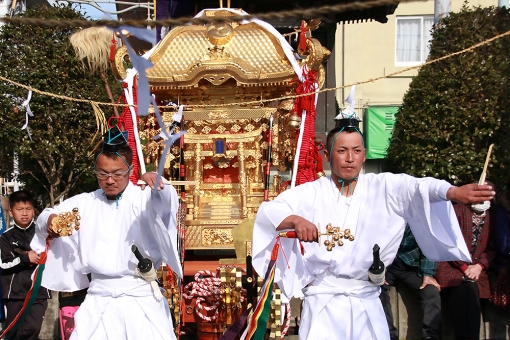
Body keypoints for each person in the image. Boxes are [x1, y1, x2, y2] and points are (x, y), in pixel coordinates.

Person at [251, 116, 495, 340]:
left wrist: (453, 192)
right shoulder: (310, 193)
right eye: (342, 151)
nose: (350, 158)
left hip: (367, 298)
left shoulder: (384, 187)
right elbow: (270, 212)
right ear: (327, 154)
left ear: (364, 155)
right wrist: (295, 220)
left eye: (356, 151)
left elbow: (418, 188)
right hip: (323, 300)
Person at [30, 126, 183, 340]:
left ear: (130, 170)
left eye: (117, 173)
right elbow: (45, 216)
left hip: (141, 298)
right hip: (98, 298)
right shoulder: (85, 202)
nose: (109, 180)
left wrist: (160, 184)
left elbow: (166, 203)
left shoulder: (143, 197)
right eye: (103, 173)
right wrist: (51, 221)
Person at [435, 198, 495, 340]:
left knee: (473, 300)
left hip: (476, 271)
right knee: (459, 296)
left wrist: (480, 266)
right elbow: (447, 241)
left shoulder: (492, 217)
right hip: (452, 266)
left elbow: (493, 248)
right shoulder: (458, 211)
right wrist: (463, 266)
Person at [0, 190, 51, 340]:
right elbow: (3, 264)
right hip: (14, 294)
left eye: (28, 209)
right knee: (13, 332)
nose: (24, 213)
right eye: (19, 209)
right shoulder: (5, 237)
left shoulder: (43, 233)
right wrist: (25, 258)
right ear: (11, 212)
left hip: (39, 292)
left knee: (33, 329)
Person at [380, 225, 442, 340]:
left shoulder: (419, 218)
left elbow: (430, 246)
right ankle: (389, 334)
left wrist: (428, 274)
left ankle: (430, 335)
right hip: (386, 266)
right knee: (377, 291)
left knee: (431, 291)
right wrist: (377, 271)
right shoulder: (381, 216)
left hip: (411, 266)